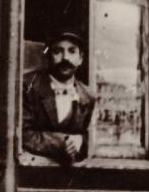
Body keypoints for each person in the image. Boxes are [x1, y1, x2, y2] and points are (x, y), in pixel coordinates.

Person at [21, 28, 96, 165]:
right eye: (57, 51)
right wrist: (63, 142)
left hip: (70, 173)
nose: (65, 58)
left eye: (72, 51)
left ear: (80, 59)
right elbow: (23, 134)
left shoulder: (87, 95)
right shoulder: (28, 85)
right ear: (49, 57)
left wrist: (80, 141)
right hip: (32, 171)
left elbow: (91, 136)